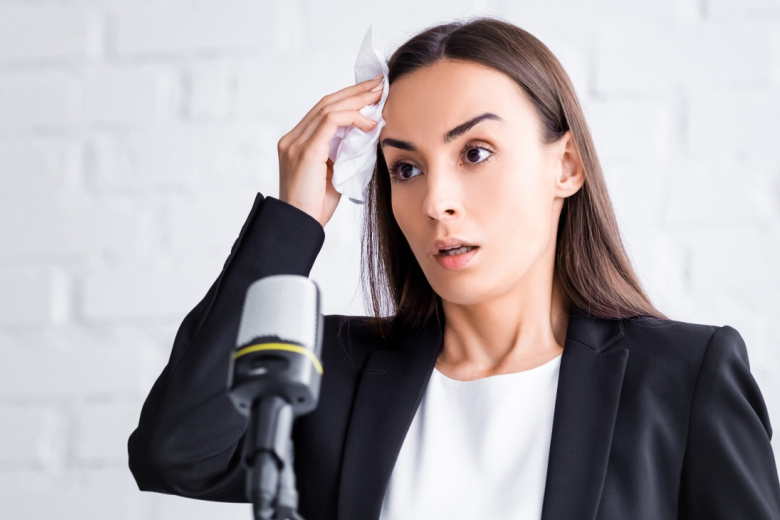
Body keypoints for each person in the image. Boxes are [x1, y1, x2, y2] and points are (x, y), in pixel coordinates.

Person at [127, 16, 780, 520]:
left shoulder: (682, 379)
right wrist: (294, 221)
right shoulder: (328, 369)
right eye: (406, 168)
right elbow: (175, 452)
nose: (435, 201)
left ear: (566, 167)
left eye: (475, 152)